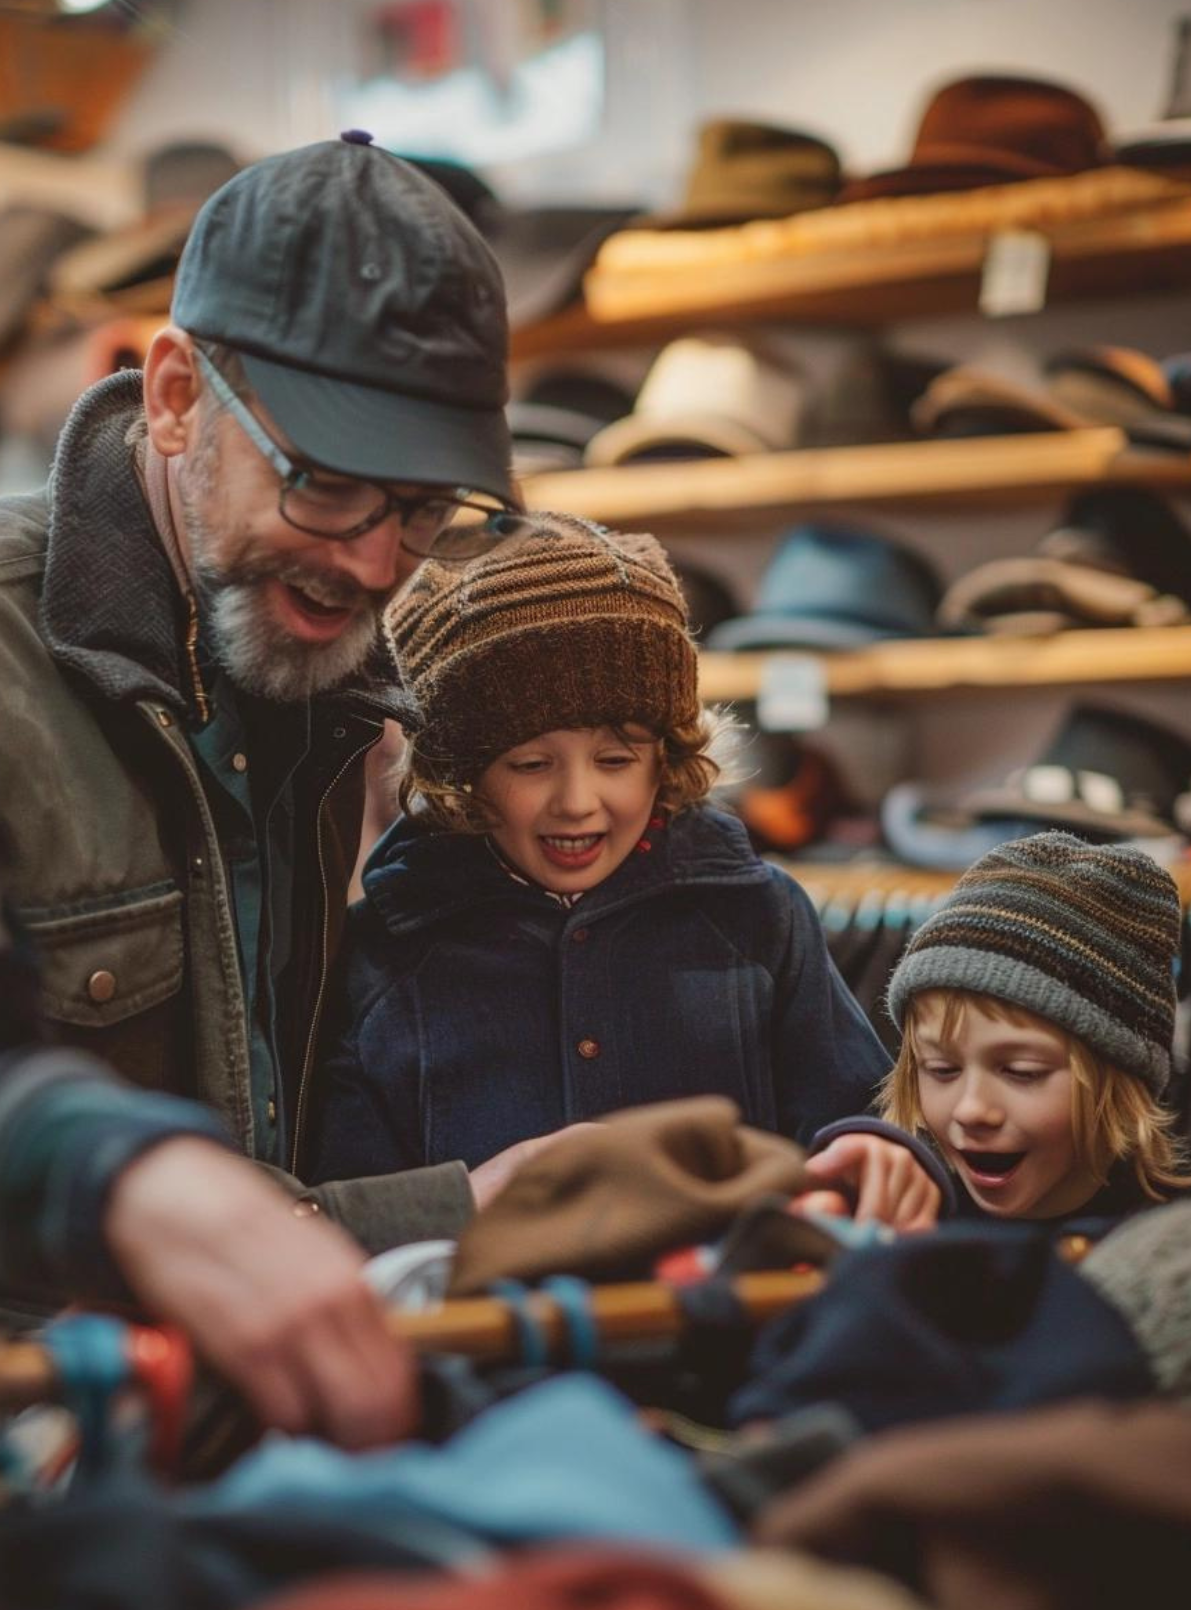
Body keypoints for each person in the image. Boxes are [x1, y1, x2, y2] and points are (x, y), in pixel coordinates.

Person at [0, 131, 573, 1443]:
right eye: (323, 485)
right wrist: (120, 1176)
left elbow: (261, 1174)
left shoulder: (322, 689)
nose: (373, 565)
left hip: (216, 1434)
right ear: (176, 397)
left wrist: (469, 1209)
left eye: (423, 511)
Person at [311, 511, 947, 1227]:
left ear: (667, 759)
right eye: (529, 764)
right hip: (487, 1330)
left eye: (616, 760)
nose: (578, 802)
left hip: (730, 1327)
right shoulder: (381, 956)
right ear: (459, 774)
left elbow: (856, 1110)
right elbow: (355, 1211)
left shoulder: (756, 916)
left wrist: (876, 1148)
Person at [879, 828, 1191, 1226]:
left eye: (1022, 1072)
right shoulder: (902, 1222)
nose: (972, 1109)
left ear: (1121, 1074)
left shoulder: (1167, 1249)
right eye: (942, 1069)